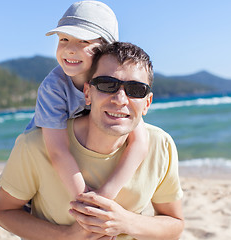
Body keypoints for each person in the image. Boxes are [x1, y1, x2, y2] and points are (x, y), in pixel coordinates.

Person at [0, 42, 184, 240]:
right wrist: (66, 236)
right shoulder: (34, 145)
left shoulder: (160, 145)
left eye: (135, 90)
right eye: (107, 84)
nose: (120, 99)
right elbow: (3, 211)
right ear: (87, 93)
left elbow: (175, 225)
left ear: (147, 103)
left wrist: (125, 222)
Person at [25, 0, 149, 200]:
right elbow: (57, 151)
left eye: (83, 41)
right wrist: (86, 201)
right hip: (43, 156)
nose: (70, 49)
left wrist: (106, 194)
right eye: (63, 39)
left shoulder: (115, 87)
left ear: (107, 50)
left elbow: (140, 143)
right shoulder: (53, 87)